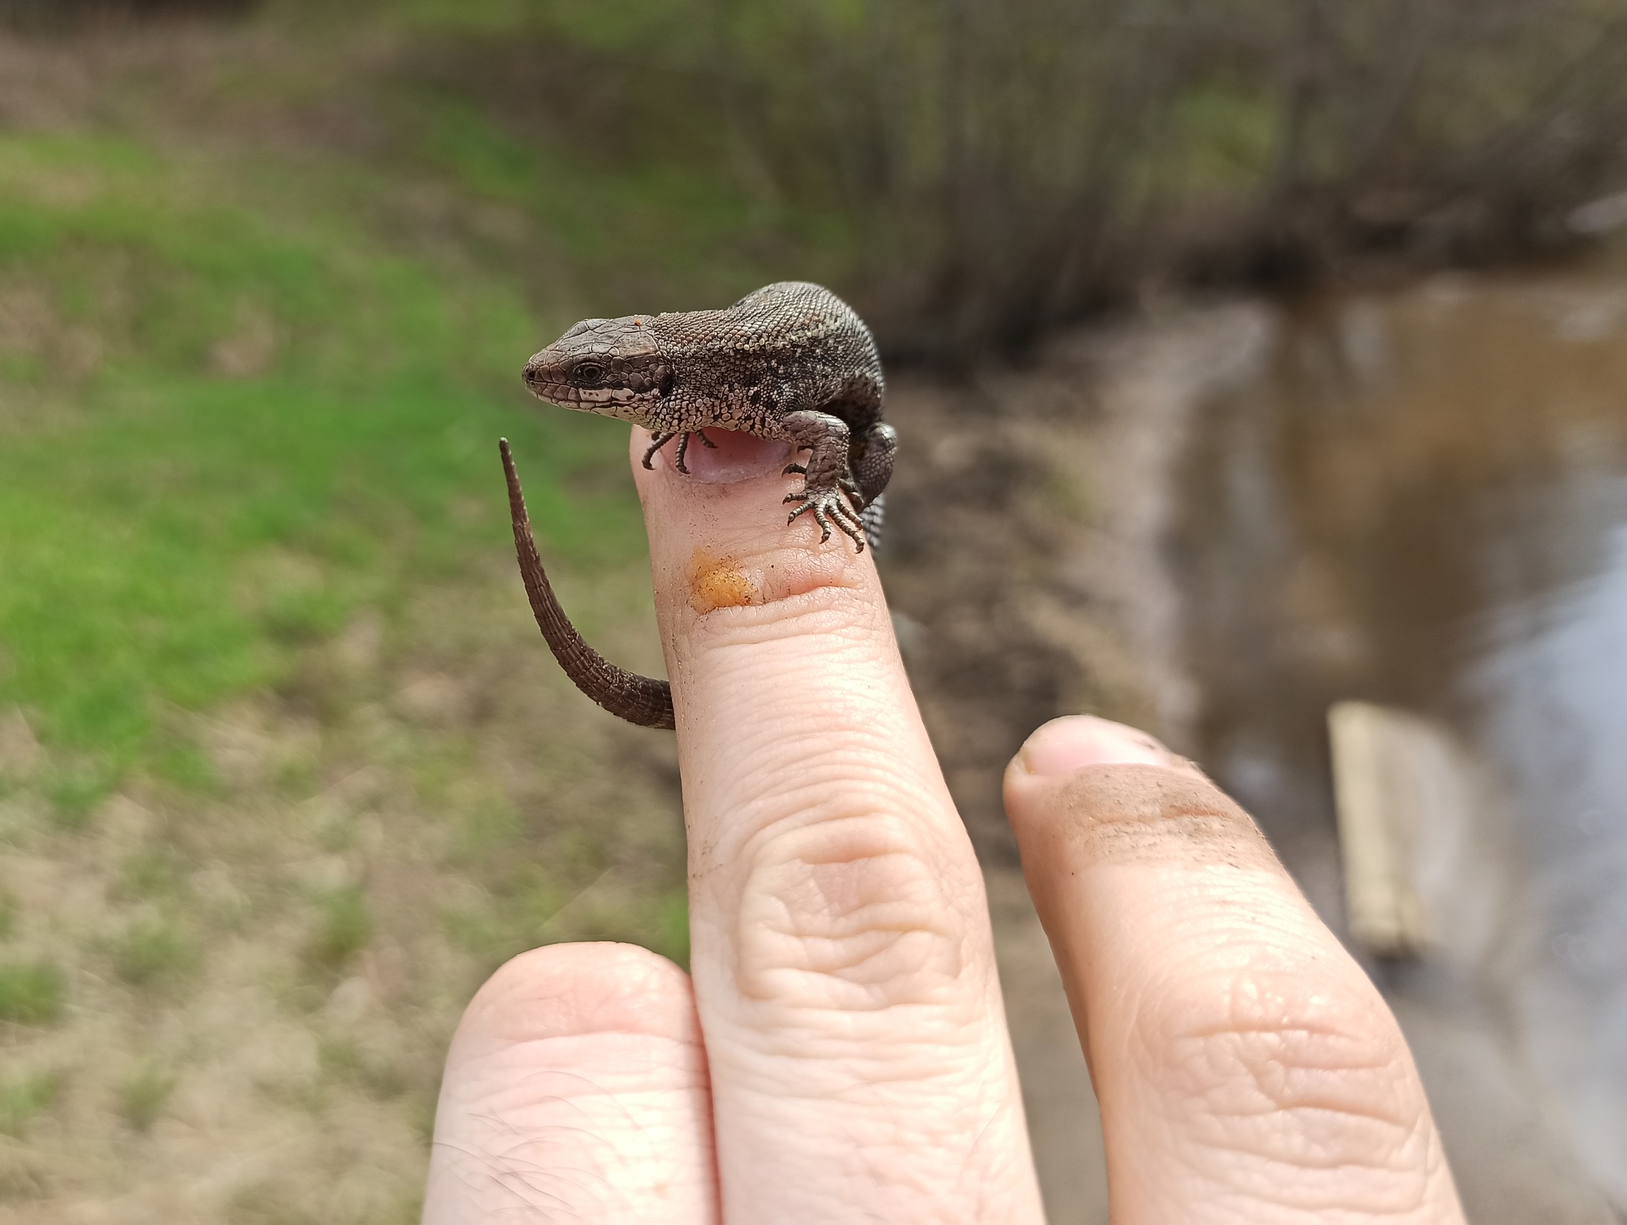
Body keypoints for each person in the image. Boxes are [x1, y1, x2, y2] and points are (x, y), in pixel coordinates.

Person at [422, 427, 1465, 1223]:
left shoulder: (743, 396)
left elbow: (840, 435)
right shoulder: (698, 396)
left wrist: (824, 490)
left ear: (649, 384)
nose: (565, 385)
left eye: (594, 378)